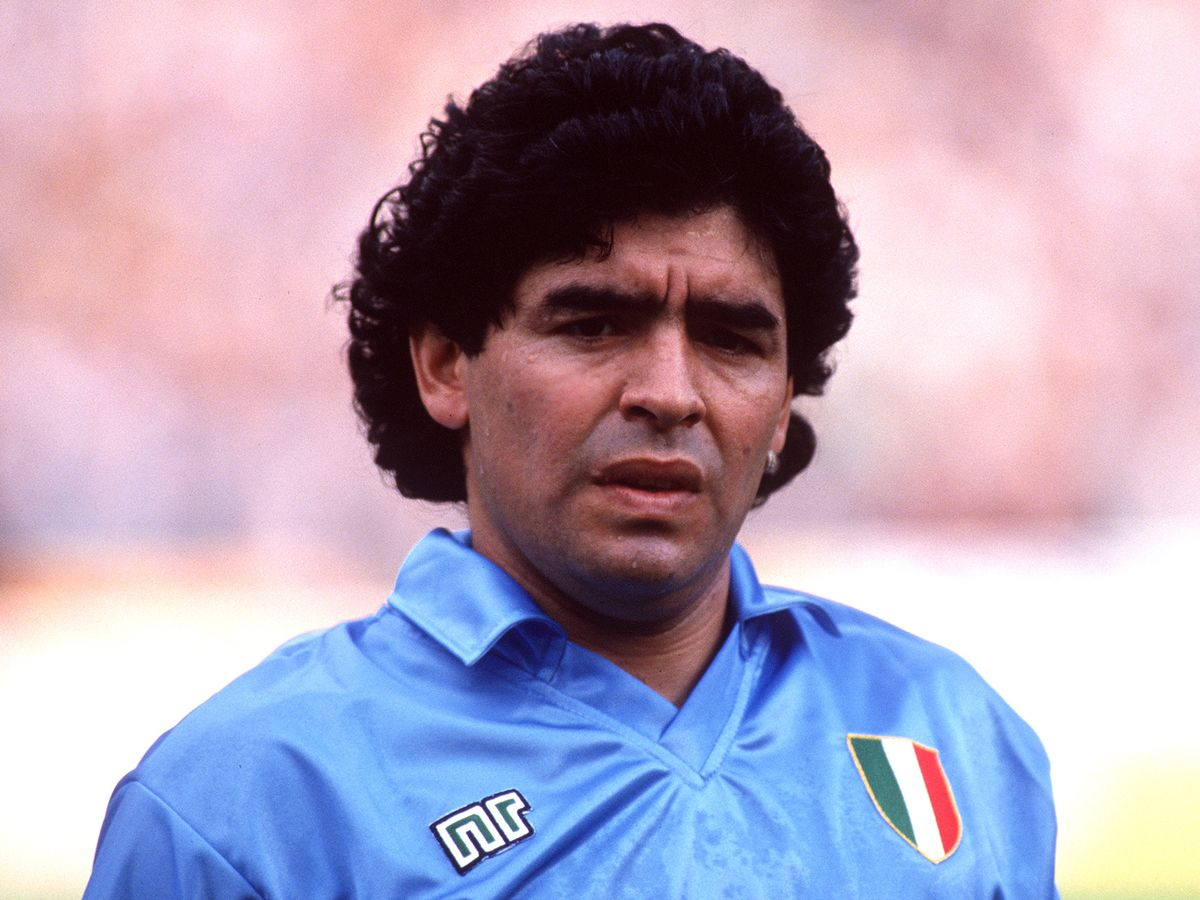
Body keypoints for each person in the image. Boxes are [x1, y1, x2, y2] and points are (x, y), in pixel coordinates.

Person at [84, 22, 1057, 897]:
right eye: (593, 324)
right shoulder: (246, 807)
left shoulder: (956, 734)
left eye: (730, 339)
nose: (670, 392)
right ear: (445, 364)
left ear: (783, 403)